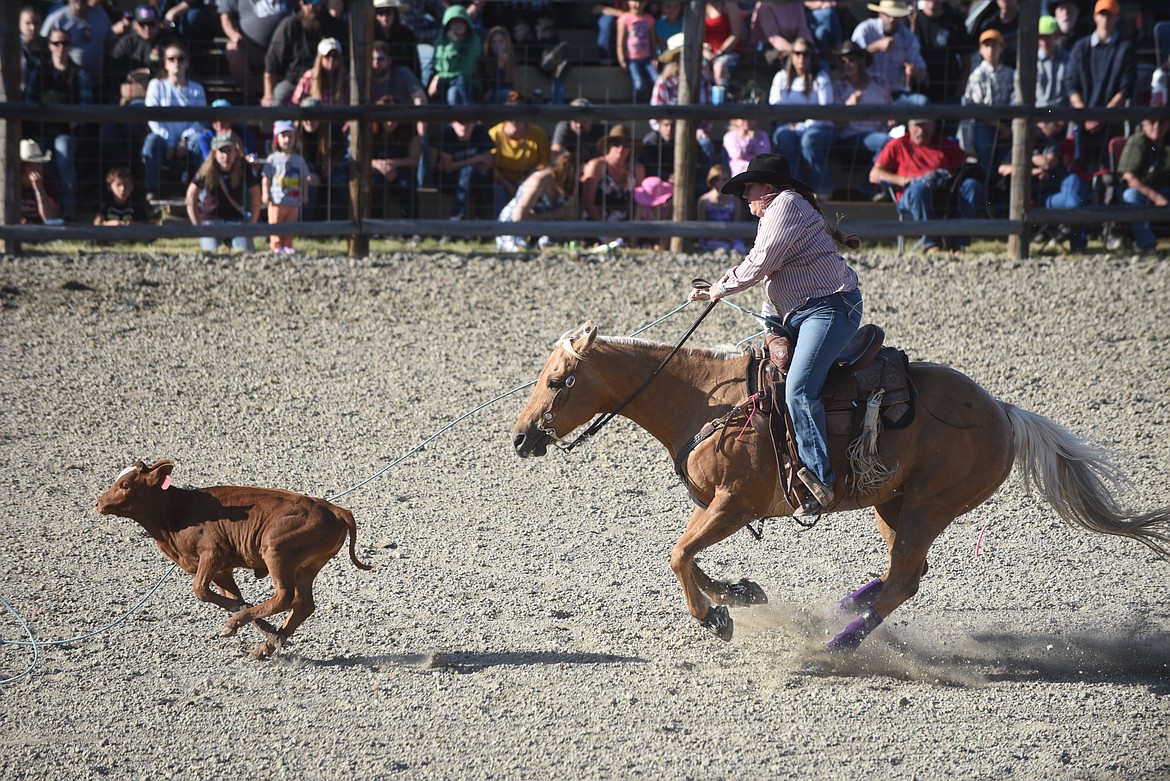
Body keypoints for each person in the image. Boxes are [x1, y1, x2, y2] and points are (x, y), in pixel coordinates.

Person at [687, 152, 862, 517]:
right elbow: (771, 280)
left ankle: (821, 480)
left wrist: (721, 287)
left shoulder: (786, 204)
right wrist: (771, 328)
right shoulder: (777, 212)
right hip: (802, 313)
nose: (744, 196)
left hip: (830, 309)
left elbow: (762, 262)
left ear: (767, 187)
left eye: (747, 189)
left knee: (798, 388)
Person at [869, 117, 985, 253]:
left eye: (925, 126)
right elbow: (874, 174)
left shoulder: (946, 144)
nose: (921, 131)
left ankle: (957, 244)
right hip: (913, 196)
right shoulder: (898, 144)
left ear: (933, 126)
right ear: (909, 126)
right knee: (920, 189)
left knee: (972, 185)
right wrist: (903, 180)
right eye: (917, 126)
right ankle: (932, 244)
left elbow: (966, 165)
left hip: (944, 195)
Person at [24, 27, 91, 221]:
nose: (61, 47)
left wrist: (70, 120)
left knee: (63, 159)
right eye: (56, 43)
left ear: (70, 46)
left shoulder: (79, 74)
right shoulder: (40, 71)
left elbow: (85, 106)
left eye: (65, 43)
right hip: (40, 129)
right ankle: (42, 214)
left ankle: (68, 212)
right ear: (49, 46)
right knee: (38, 165)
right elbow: (29, 100)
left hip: (66, 131)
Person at [1064, 0, 1136, 172]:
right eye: (1102, 14)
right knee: (1077, 173)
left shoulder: (1125, 49)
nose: (1105, 19)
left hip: (1111, 124)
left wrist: (1102, 116)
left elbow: (1126, 88)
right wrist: (1085, 115)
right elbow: (1071, 84)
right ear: (1095, 17)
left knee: (1109, 177)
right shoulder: (1080, 48)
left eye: (1110, 14)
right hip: (1081, 125)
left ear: (1116, 18)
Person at [996, 119, 1087, 251]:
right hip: (1042, 196)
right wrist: (1032, 171)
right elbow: (1003, 169)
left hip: (1060, 188)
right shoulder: (1015, 146)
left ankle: (1070, 226)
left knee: (1074, 181)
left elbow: (1048, 162)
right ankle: (1074, 236)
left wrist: (1026, 156)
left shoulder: (1048, 142)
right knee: (1074, 202)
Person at [770, 39, 835, 201]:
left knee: (809, 140)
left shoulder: (821, 78)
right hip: (788, 125)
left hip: (819, 126)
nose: (801, 58)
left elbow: (825, 111)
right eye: (797, 53)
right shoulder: (781, 78)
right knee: (784, 137)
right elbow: (774, 105)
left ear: (811, 56)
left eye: (805, 54)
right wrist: (791, 124)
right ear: (791, 56)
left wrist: (802, 126)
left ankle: (823, 189)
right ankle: (795, 189)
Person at [142, 41, 206, 201]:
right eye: (171, 59)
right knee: (151, 141)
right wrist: (170, 141)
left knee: (200, 142)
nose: (176, 62)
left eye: (181, 58)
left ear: (187, 63)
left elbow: (200, 121)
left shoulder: (197, 89)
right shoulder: (156, 85)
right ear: (165, 63)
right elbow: (152, 118)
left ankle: (203, 192)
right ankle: (152, 191)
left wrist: (184, 138)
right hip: (163, 138)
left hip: (189, 140)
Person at [829, 40, 892, 197]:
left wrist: (892, 121)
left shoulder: (880, 82)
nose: (847, 65)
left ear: (861, 61)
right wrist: (849, 106)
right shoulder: (837, 88)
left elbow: (892, 111)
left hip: (879, 135)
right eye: (843, 61)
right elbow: (838, 124)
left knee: (891, 142)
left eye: (852, 60)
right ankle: (869, 187)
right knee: (886, 142)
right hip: (849, 140)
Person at [186, 133, 261, 253]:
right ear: (214, 153)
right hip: (210, 221)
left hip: (237, 221)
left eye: (229, 150)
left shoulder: (243, 167)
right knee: (212, 254)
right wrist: (198, 226)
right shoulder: (206, 169)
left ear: (236, 151)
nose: (226, 155)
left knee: (246, 253)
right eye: (222, 151)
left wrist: (251, 224)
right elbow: (191, 196)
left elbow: (257, 195)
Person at [263, 0, 347, 107]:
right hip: (294, 82)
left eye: (316, 1)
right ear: (300, 3)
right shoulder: (290, 25)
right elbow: (272, 61)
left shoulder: (335, 26)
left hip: (329, 85)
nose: (311, 6)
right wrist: (268, 94)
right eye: (307, 1)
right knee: (280, 96)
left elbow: (347, 61)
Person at [961, 29, 1017, 177]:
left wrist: (1009, 127)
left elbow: (1015, 100)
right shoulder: (977, 75)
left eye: (995, 45)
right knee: (985, 148)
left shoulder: (1011, 74)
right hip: (985, 122)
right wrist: (999, 126)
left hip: (1007, 122)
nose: (991, 49)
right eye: (987, 46)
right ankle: (986, 181)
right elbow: (978, 108)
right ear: (980, 50)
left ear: (1001, 48)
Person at [496, 151, 578, 252]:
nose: (582, 179)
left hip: (541, 230)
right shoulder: (539, 181)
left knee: (552, 247)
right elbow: (518, 218)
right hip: (515, 228)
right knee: (524, 251)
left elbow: (571, 216)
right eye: (580, 174)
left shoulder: (569, 185)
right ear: (568, 173)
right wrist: (554, 214)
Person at [850, 0, 927, 105]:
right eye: (888, 15)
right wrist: (875, 47)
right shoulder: (865, 30)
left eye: (896, 16)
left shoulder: (908, 37)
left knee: (922, 102)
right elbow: (852, 60)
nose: (891, 20)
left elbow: (922, 71)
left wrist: (915, 71)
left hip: (896, 93)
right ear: (880, 14)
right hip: (867, 90)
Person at [488, 91, 550, 214]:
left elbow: (544, 162)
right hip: (501, 180)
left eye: (519, 116)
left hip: (529, 179)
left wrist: (526, 180)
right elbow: (489, 165)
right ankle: (501, 228)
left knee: (536, 188)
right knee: (497, 190)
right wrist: (506, 184)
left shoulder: (538, 134)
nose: (515, 121)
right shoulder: (494, 134)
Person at [218, 0, 291, 102]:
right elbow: (225, 16)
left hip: (283, 49)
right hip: (250, 48)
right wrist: (233, 35)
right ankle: (249, 97)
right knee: (233, 50)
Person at [1117, 118, 1170, 254]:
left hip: (1166, 188)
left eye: (1161, 122)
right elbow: (1129, 177)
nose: (1157, 127)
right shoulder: (1137, 141)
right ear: (1144, 124)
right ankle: (1148, 244)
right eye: (1152, 122)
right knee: (1130, 196)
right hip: (1142, 190)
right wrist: (1156, 197)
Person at [262, 120, 315, 254]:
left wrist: (305, 194)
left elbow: (304, 179)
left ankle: (288, 244)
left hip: (293, 200)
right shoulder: (272, 159)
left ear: (295, 138)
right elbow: (266, 178)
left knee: (291, 224)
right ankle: (276, 245)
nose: (287, 139)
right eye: (283, 136)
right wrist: (265, 193)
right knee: (275, 223)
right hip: (277, 200)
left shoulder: (299, 160)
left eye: (290, 136)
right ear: (276, 138)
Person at [581, 124, 646, 230]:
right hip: (597, 225)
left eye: (626, 145)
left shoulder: (637, 169)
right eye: (616, 144)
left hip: (628, 227)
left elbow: (639, 204)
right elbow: (588, 204)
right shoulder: (597, 166)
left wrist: (633, 231)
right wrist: (607, 230)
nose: (621, 149)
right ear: (608, 145)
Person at [911, 0, 973, 106]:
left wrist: (959, 91)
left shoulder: (955, 20)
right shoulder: (912, 20)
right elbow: (904, 56)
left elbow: (966, 60)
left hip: (950, 94)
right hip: (919, 95)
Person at [369, 96, 422, 220]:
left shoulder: (410, 129)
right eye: (386, 119)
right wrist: (379, 165)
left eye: (393, 119)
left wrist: (394, 164)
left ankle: (411, 226)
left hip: (403, 168)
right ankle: (375, 226)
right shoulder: (370, 129)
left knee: (406, 185)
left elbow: (414, 160)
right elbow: (363, 157)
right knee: (374, 185)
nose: (389, 123)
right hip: (378, 170)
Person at [436, 118, 496, 222]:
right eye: (460, 123)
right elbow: (447, 167)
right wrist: (476, 159)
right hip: (446, 180)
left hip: (476, 179)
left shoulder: (480, 131)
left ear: (474, 123)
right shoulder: (446, 133)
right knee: (469, 171)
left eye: (468, 122)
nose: (464, 126)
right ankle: (456, 217)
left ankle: (480, 220)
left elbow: (488, 163)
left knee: (483, 175)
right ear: (453, 123)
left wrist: (463, 164)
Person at [429, 4, 481, 105]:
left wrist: (439, 76)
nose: (458, 25)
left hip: (469, 84)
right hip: (446, 83)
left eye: (461, 21)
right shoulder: (441, 41)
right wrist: (453, 44)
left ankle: (469, 118)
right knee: (446, 92)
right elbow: (439, 66)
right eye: (454, 22)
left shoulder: (474, 41)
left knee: (455, 91)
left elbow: (466, 69)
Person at [696, 163, 746, 252]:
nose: (721, 182)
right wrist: (715, 236)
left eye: (724, 179)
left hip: (730, 240)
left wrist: (727, 237)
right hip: (710, 240)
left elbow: (736, 225)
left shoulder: (735, 201)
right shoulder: (703, 201)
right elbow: (701, 227)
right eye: (717, 179)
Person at [616, 0, 659, 104]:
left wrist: (654, 57)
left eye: (642, 2)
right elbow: (620, 42)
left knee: (657, 80)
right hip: (632, 59)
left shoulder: (649, 19)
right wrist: (622, 60)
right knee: (639, 84)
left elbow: (652, 41)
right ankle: (634, 104)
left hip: (647, 58)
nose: (638, 5)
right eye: (635, 1)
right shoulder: (624, 18)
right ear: (628, 2)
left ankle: (655, 104)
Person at [750, 0, 814, 63]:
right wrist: (794, 51)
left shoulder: (796, 3)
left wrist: (809, 47)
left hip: (794, 44)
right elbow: (774, 38)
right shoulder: (764, 5)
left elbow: (803, 30)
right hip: (769, 48)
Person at [703, 1, 746, 87]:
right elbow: (696, 36)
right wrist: (705, 52)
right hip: (706, 51)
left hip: (728, 50)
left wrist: (720, 52)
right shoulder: (699, 6)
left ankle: (719, 98)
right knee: (702, 66)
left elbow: (736, 34)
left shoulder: (730, 4)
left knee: (720, 67)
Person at [374, 0, 421, 77]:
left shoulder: (407, 35)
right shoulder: (370, 35)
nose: (384, 17)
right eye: (380, 12)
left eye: (388, 12)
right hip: (377, 79)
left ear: (395, 14)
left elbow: (415, 67)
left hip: (402, 79)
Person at [19, 139, 61, 225]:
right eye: (30, 165)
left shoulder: (49, 183)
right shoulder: (10, 184)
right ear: (21, 167)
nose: (36, 169)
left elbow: (50, 219)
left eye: (39, 164)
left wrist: (40, 190)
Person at [1036, 15, 1069, 109]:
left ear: (1057, 35)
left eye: (1048, 37)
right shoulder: (1030, 62)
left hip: (1063, 116)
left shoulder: (1068, 60)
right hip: (1036, 117)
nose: (1044, 42)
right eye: (1041, 37)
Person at [480, 25, 517, 104]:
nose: (497, 45)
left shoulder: (510, 60)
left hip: (503, 93)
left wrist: (503, 66)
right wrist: (500, 66)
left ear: (506, 43)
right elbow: (489, 88)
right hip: (487, 96)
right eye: (494, 42)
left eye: (501, 41)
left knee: (512, 95)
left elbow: (510, 85)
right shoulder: (484, 60)